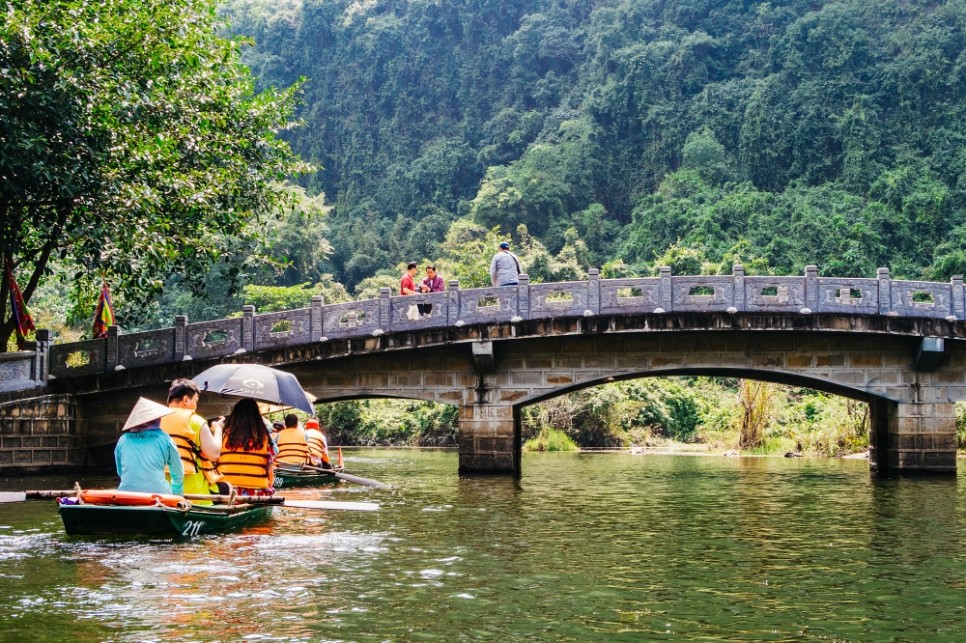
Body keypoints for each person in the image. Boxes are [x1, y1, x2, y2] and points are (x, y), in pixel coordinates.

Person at [160, 378, 223, 503]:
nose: (196, 406)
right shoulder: (196, 421)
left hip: (159, 492)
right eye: (196, 401)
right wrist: (218, 429)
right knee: (227, 487)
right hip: (194, 495)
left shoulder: (155, 420)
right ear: (186, 400)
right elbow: (214, 454)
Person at [115, 397, 184, 496]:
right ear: (156, 420)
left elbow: (121, 471)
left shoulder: (123, 440)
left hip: (126, 494)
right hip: (159, 495)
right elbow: (178, 472)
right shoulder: (165, 438)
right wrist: (178, 495)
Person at [217, 398, 275, 494]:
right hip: (256, 488)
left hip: (226, 488)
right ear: (257, 416)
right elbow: (270, 465)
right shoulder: (263, 436)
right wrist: (269, 484)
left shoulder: (225, 434)